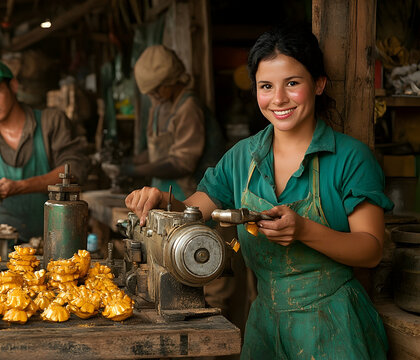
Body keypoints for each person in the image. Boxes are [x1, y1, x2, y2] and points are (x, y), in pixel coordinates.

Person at [125, 24, 392, 359]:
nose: (278, 99)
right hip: (265, 324)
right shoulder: (242, 158)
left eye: (292, 83)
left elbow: (371, 250)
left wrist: (304, 230)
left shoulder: (351, 158)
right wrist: (162, 202)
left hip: (335, 327)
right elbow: (192, 212)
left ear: (319, 84)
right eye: (266, 86)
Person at [0, 60, 89, 243]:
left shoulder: (51, 122)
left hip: (57, 239)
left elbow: (74, 169)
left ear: (13, 86)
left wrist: (20, 187)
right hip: (1, 246)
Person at [123, 45, 223, 201]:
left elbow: (182, 164)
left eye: (155, 91)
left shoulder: (189, 107)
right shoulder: (159, 106)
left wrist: (137, 170)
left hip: (187, 196)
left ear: (168, 82)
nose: (153, 97)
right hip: (161, 194)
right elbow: (158, 150)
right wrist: (130, 161)